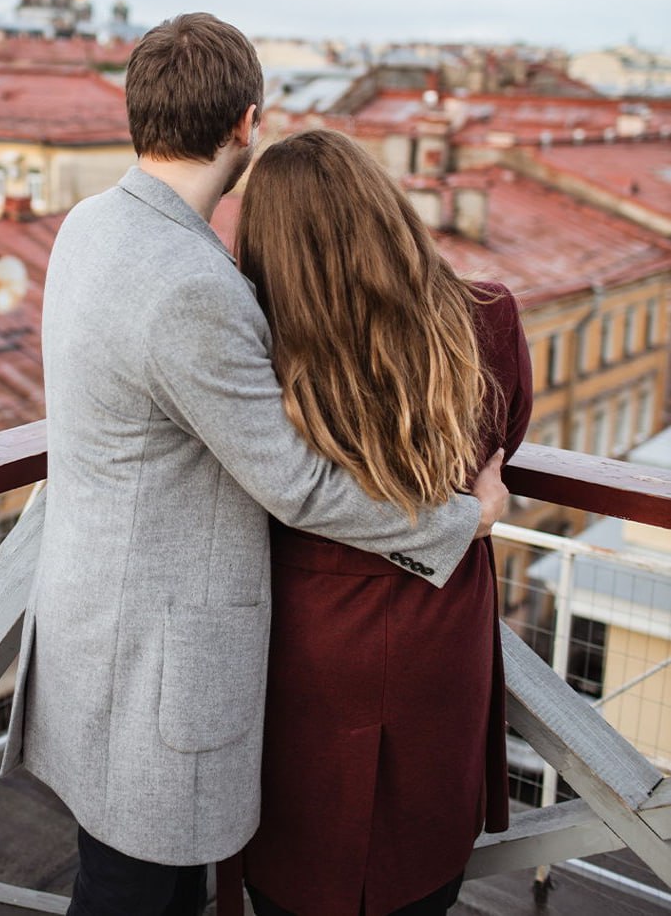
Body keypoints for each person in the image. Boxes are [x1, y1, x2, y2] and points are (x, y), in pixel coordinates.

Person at [0, 15, 509, 916]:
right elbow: (298, 483)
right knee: (135, 896)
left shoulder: (90, 223)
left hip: (89, 622)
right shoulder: (195, 285)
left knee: (115, 880)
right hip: (158, 662)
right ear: (244, 122)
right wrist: (459, 520)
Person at [235, 130, 533, 916]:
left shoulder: (261, 352)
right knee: (420, 862)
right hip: (440, 631)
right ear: (388, 208)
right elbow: (504, 442)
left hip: (304, 642)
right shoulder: (488, 319)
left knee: (295, 870)